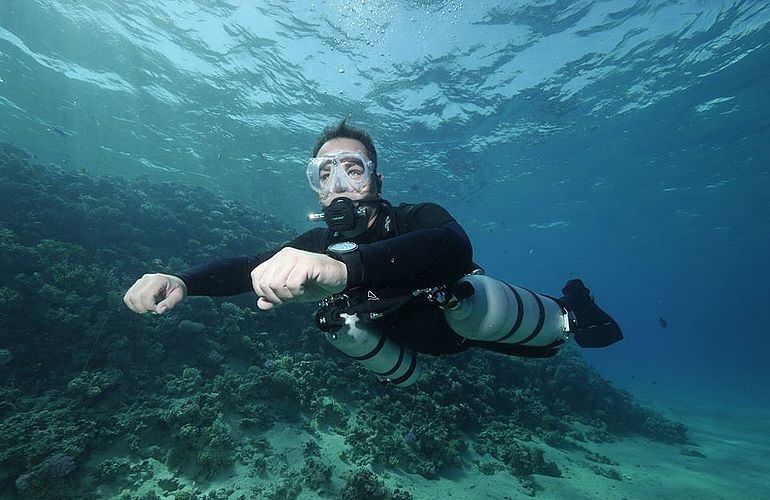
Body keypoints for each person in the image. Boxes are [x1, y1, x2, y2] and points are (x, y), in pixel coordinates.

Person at [124, 120, 622, 386]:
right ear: (316, 190)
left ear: (377, 180)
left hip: (472, 320)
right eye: (325, 174)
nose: (339, 185)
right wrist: (184, 281)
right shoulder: (315, 243)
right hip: (412, 349)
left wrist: (343, 269)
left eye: (353, 170)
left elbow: (451, 246)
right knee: (343, 329)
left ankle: (571, 307)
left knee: (548, 341)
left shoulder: (417, 216)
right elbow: (243, 268)